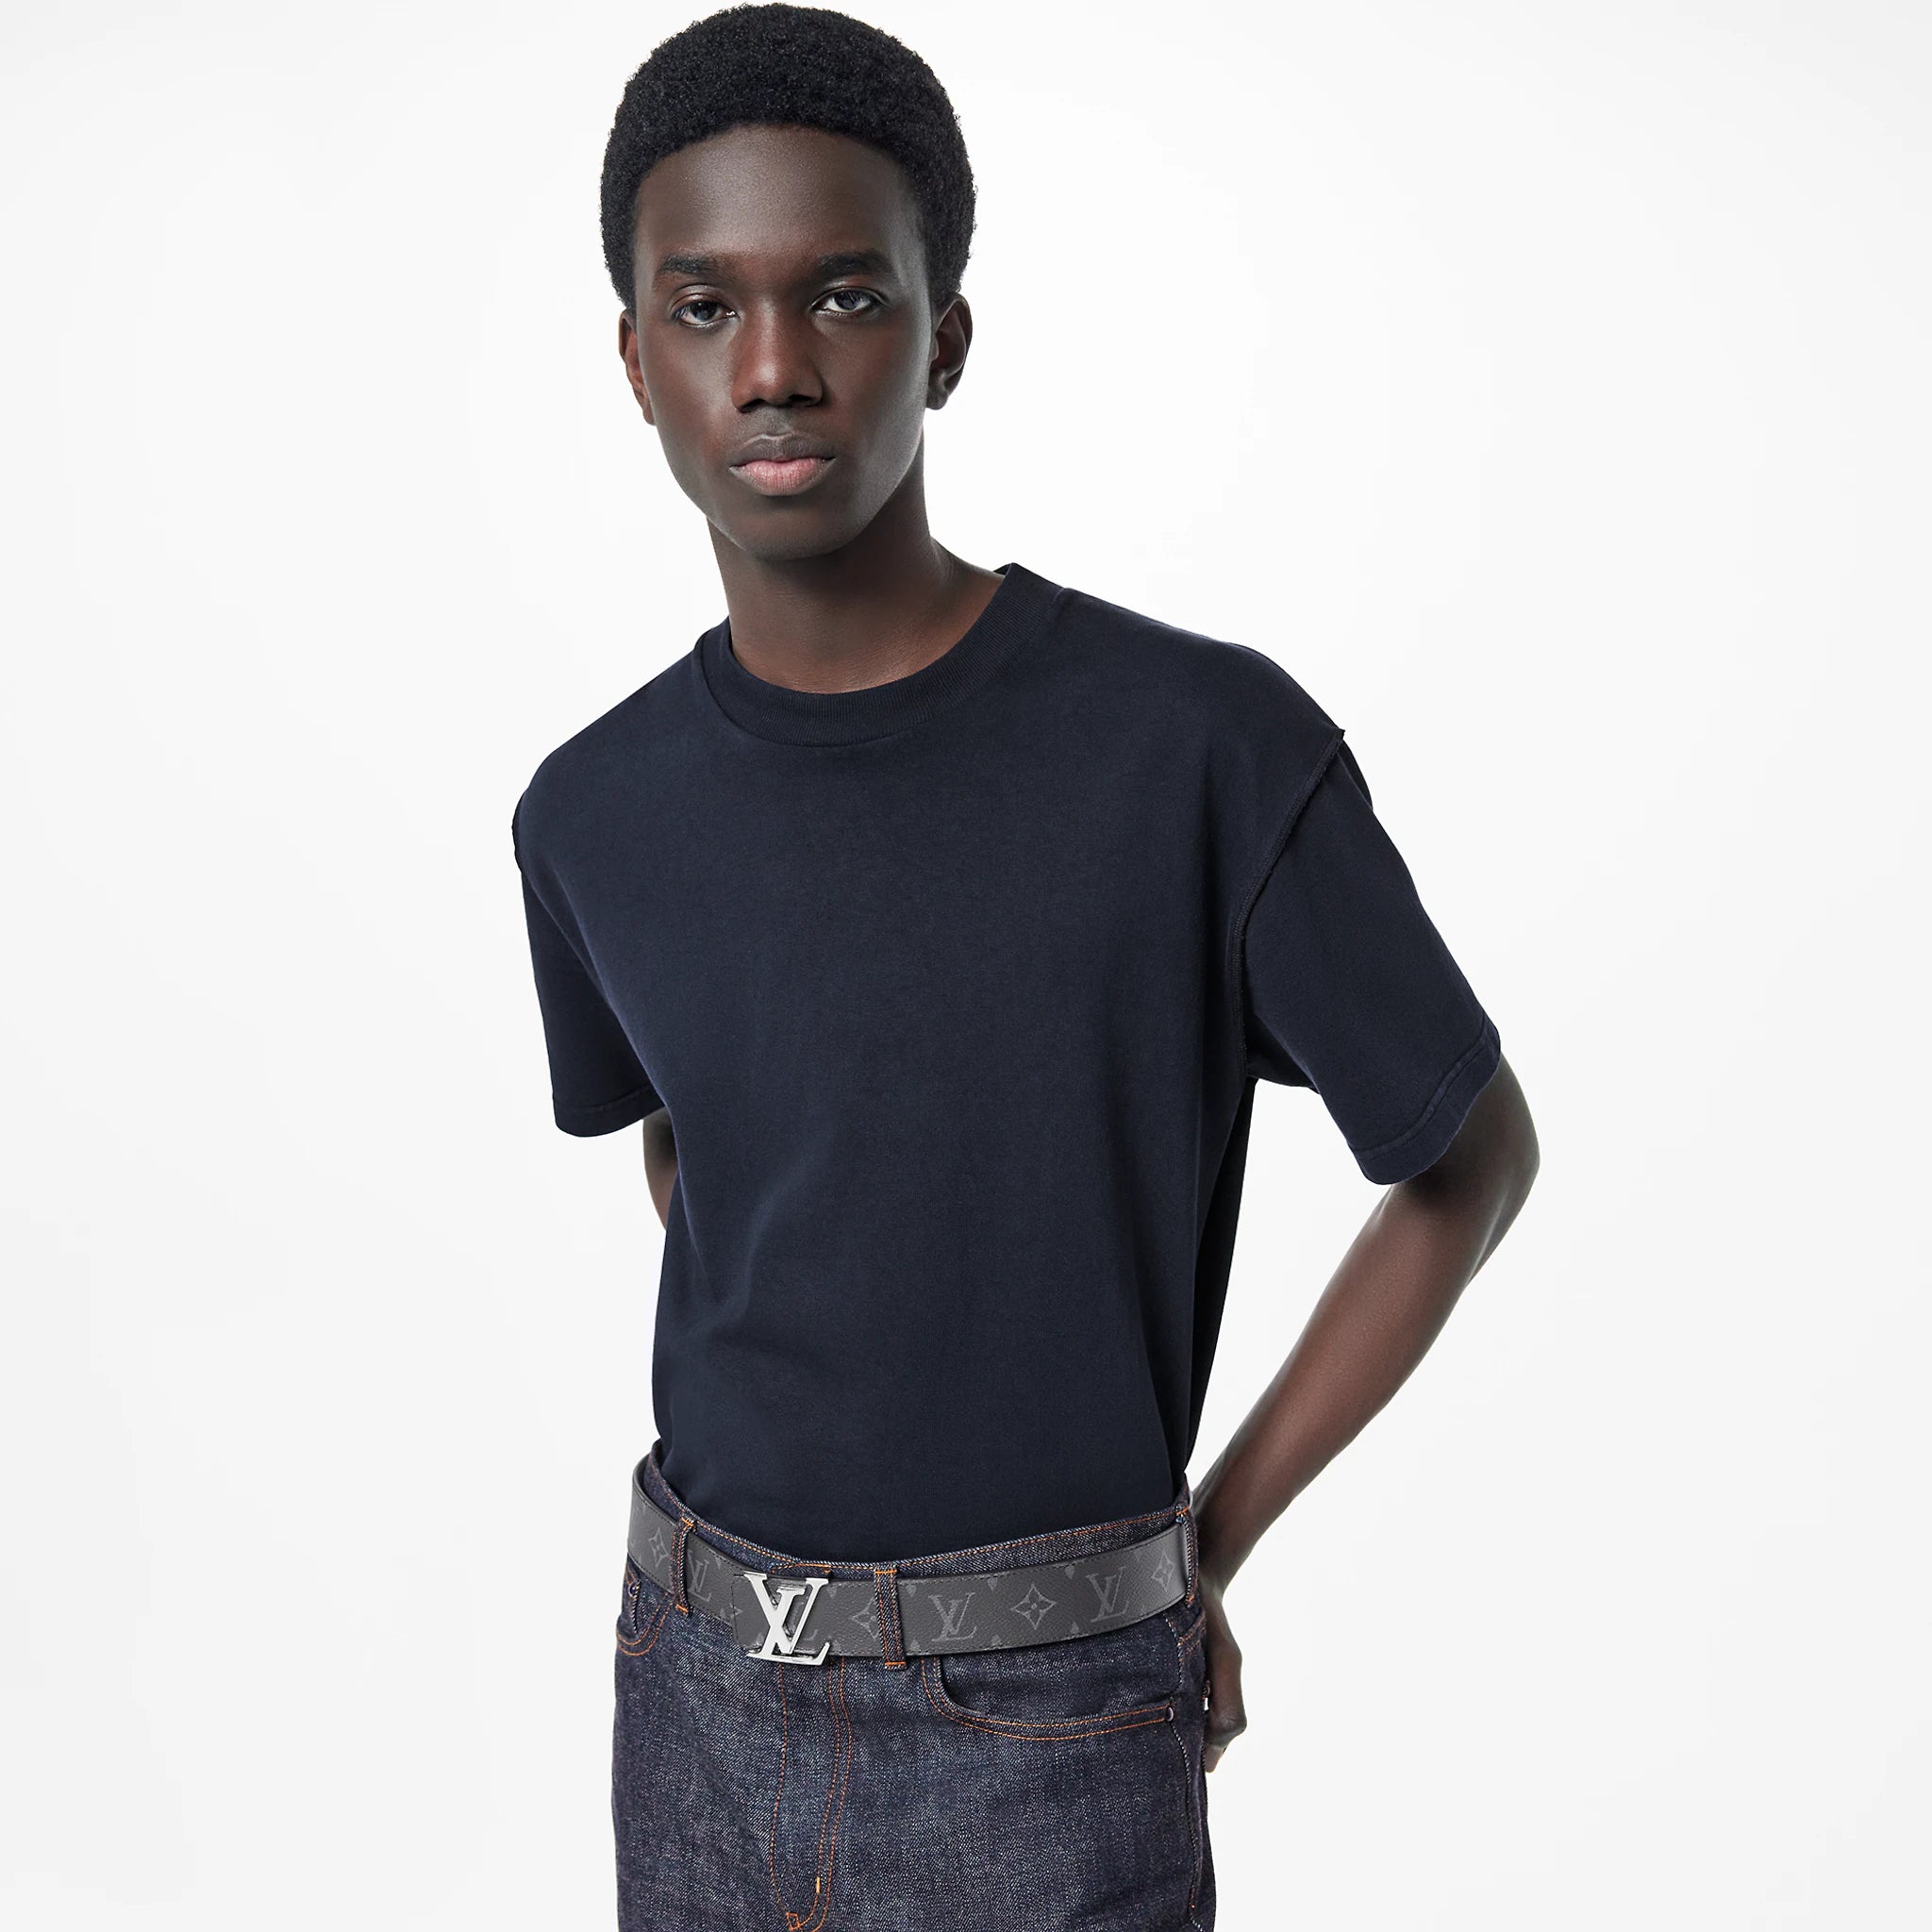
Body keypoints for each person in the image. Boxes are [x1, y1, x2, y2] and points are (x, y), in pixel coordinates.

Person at [510, 6, 1541, 1925]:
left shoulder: (1199, 752)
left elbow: (1467, 1162)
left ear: (945, 337)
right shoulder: (590, 813)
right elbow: (708, 1152)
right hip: (694, 1693)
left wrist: (1205, 1544)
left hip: (1053, 1721)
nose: (775, 368)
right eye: (705, 308)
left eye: (844, 297)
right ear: (637, 362)